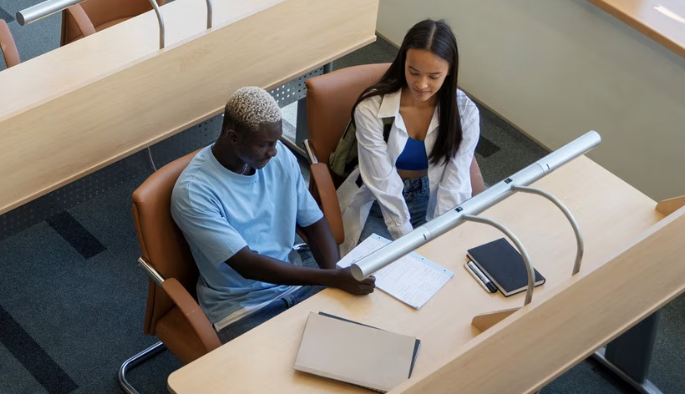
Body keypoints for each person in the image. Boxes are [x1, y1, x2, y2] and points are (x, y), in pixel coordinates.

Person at [171, 87, 375, 342]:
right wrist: (331, 278)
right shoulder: (194, 192)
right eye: (265, 144)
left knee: (358, 339)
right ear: (233, 137)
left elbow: (313, 223)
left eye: (276, 141)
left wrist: (334, 274)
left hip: (295, 285)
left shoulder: (278, 159)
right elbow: (247, 265)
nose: (274, 151)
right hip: (243, 309)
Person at [339, 19, 482, 243]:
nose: (422, 84)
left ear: (449, 71)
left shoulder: (465, 113)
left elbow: (454, 182)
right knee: (386, 268)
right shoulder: (371, 109)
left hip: (432, 199)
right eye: (413, 72)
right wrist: (406, 240)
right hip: (379, 203)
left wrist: (439, 232)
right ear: (403, 61)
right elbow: (384, 185)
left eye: (433, 76)